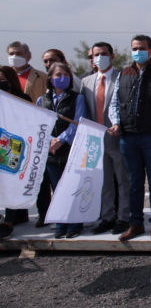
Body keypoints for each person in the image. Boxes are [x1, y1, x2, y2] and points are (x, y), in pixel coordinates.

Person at [107, 35, 151, 241]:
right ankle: (135, 223)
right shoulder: (124, 74)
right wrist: (116, 122)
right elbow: (114, 103)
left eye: (142, 48)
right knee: (134, 183)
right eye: (135, 48)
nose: (138, 52)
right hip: (128, 138)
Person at [80, 42, 131, 236]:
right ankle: (107, 216)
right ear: (91, 57)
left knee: (123, 181)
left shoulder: (124, 77)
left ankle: (124, 217)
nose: (99, 58)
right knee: (103, 181)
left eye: (103, 54)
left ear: (112, 55)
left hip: (118, 139)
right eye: (95, 55)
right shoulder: (86, 82)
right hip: (96, 140)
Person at [36, 63, 87, 238]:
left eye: (66, 74)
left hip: (70, 148)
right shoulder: (42, 100)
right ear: (50, 78)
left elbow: (78, 122)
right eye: (58, 74)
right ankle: (60, 223)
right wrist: (50, 141)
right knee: (56, 188)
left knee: (72, 186)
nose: (63, 77)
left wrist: (61, 140)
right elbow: (40, 124)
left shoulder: (77, 98)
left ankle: (74, 224)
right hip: (50, 151)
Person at [7, 41, 49, 227]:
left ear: (28, 55)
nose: (15, 56)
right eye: (11, 53)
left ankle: (44, 213)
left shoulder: (42, 77)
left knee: (38, 174)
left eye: (18, 53)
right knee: (12, 174)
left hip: (35, 133)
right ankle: (16, 214)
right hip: (9, 136)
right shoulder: (5, 77)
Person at [0, 66, 33, 239]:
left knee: (10, 183)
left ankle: (9, 222)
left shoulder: (22, 98)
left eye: (2, 79)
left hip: (13, 147)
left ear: (10, 80)